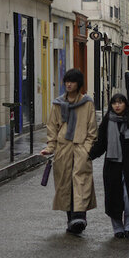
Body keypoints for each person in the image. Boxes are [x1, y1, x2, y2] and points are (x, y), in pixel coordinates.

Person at [40, 68, 97, 235]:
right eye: (66, 81)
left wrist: (87, 148)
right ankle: (71, 218)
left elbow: (92, 129)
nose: (68, 84)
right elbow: (52, 127)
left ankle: (80, 217)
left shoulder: (87, 103)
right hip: (63, 148)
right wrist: (50, 148)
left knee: (81, 181)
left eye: (72, 81)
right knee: (65, 183)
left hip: (81, 147)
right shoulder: (58, 104)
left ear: (78, 84)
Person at [89, 93, 129, 239]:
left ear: (125, 104)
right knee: (114, 198)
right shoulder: (107, 122)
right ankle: (117, 228)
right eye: (114, 103)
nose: (117, 106)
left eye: (120, 102)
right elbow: (100, 144)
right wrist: (88, 156)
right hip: (112, 167)